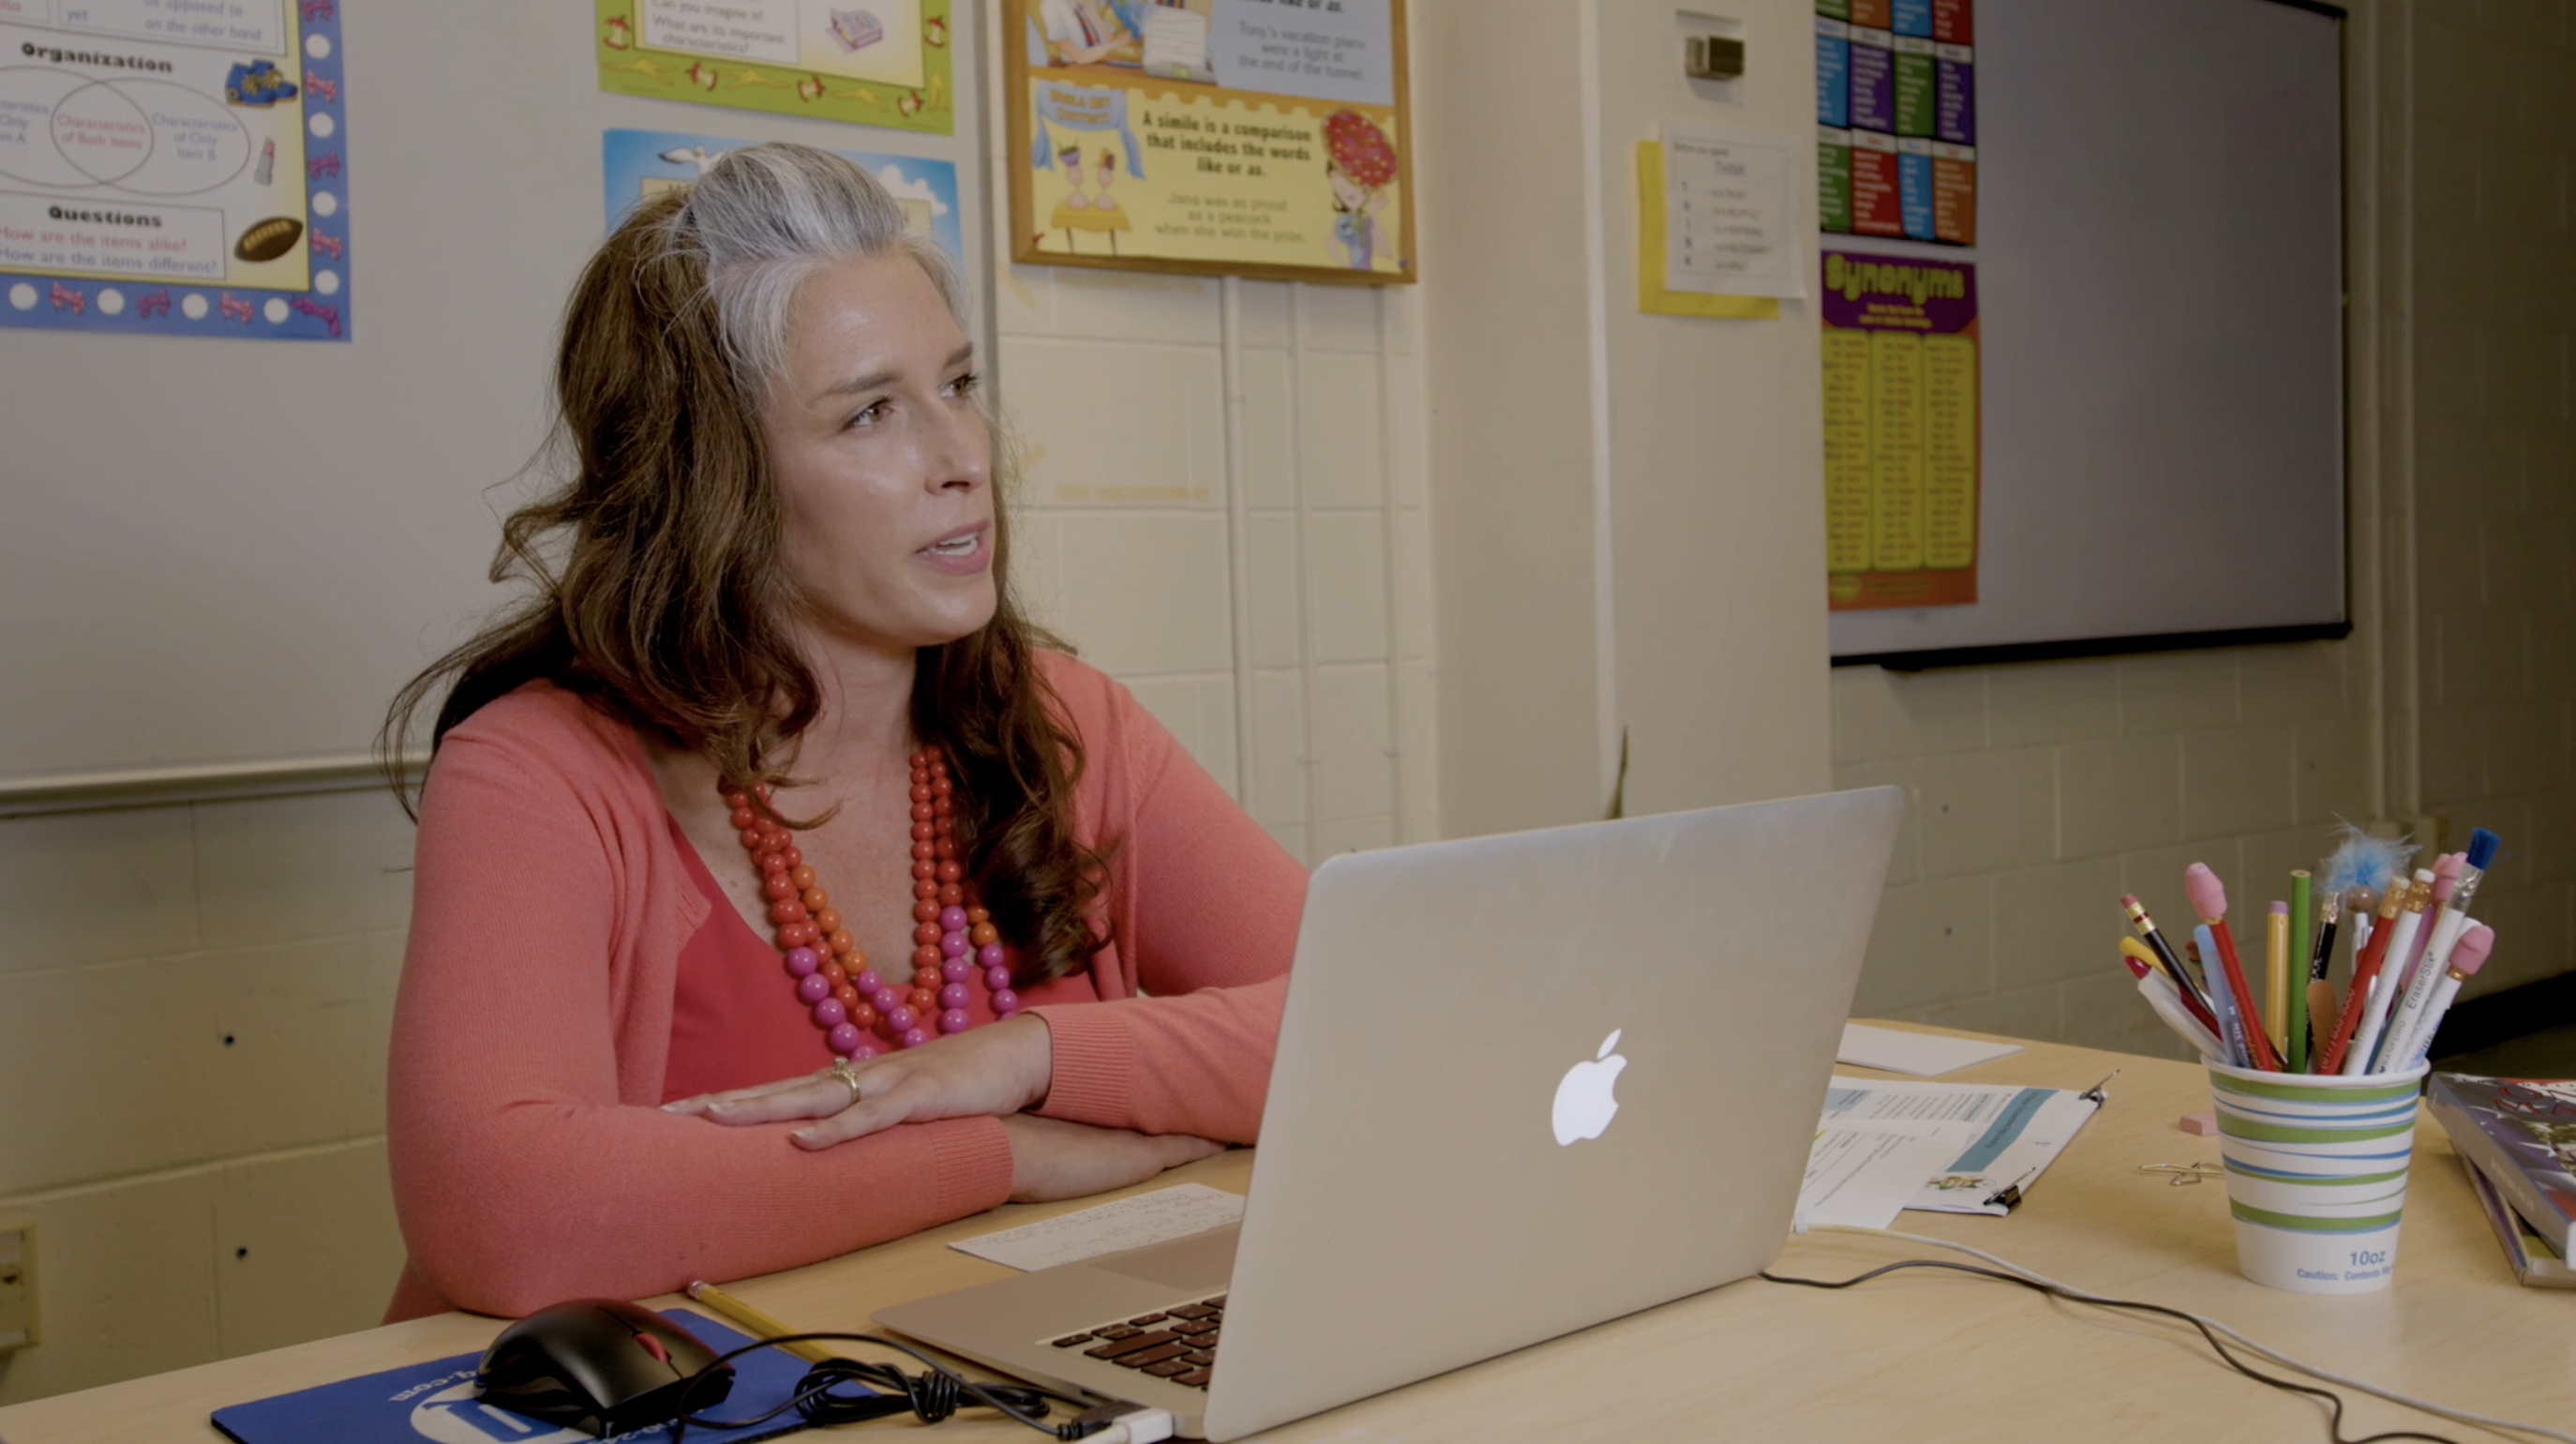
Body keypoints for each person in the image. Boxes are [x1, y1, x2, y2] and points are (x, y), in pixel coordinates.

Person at [379, 143, 1303, 1320]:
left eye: (958, 387)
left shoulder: (1069, 718)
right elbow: (507, 1215)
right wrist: (1001, 1154)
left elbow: (1375, 1014)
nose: (965, 458)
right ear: (714, 482)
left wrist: (1030, 1059)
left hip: (1002, 1367)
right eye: (870, 413)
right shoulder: (538, 770)